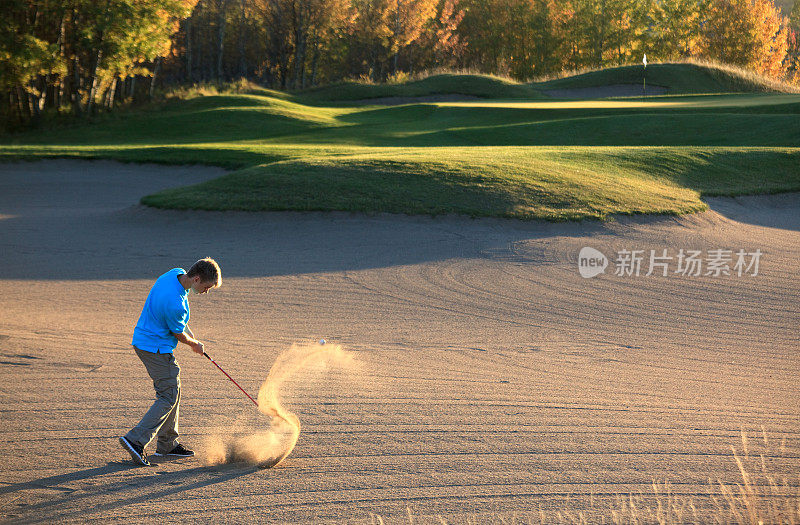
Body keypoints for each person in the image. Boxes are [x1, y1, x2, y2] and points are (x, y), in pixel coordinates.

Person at [119, 258, 222, 466]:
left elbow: (181, 323)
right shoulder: (175, 304)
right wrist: (195, 344)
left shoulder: (174, 273)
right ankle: (135, 440)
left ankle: (168, 444)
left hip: (145, 341)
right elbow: (179, 335)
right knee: (168, 396)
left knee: (173, 390)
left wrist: (189, 333)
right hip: (154, 349)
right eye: (206, 287)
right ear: (196, 278)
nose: (206, 291)